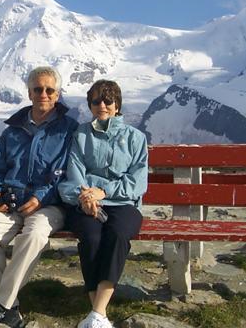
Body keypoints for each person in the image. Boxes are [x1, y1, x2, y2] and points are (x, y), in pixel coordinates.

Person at [0, 66, 79, 328]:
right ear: (29, 93)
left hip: (50, 206)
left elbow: (69, 173)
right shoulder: (12, 131)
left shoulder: (70, 130)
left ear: (58, 94)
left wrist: (42, 197)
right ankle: (10, 308)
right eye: (38, 89)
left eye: (49, 89)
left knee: (33, 236)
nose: (43, 94)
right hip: (11, 204)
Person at [58, 80, 148, 328]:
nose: (102, 105)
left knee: (118, 234)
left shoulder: (135, 138)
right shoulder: (81, 135)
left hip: (123, 203)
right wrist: (84, 196)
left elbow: (137, 182)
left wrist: (103, 191)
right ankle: (98, 315)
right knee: (91, 236)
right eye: (96, 101)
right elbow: (74, 171)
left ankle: (97, 312)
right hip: (86, 201)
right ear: (89, 104)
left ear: (117, 104)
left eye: (108, 100)